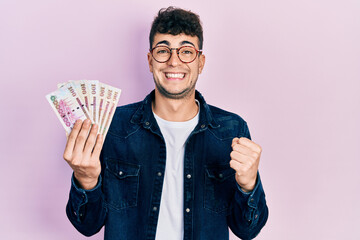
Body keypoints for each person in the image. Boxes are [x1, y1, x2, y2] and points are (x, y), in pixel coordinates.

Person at [63, 6, 268, 240]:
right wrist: (86, 180)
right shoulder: (112, 127)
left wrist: (249, 185)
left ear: (200, 62)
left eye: (186, 51)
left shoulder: (232, 130)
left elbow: (247, 230)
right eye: (163, 51)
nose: (174, 61)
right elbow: (87, 226)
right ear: (150, 61)